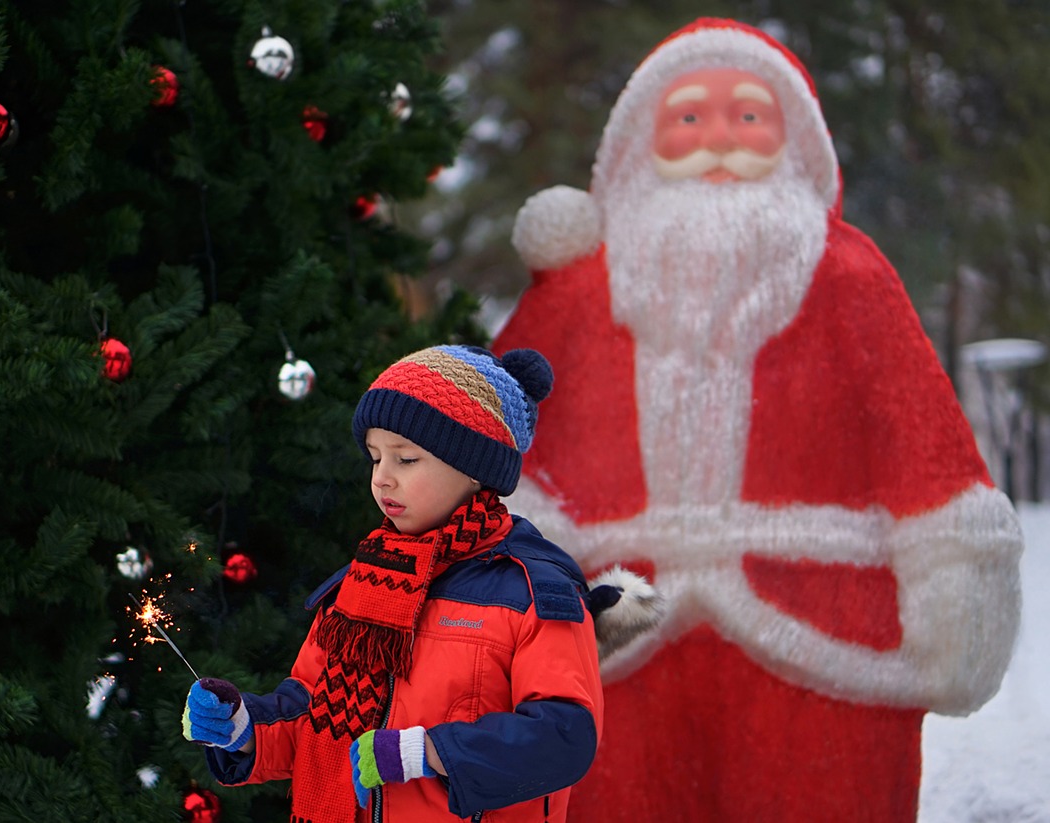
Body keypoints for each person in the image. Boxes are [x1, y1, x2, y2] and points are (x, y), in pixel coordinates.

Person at [490, 17, 1023, 823]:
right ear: (638, 143)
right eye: (688, 118)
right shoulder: (575, 291)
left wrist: (955, 587)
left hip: (825, 635)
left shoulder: (849, 276)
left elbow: (920, 443)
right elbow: (498, 438)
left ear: (795, 142)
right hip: (612, 635)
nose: (718, 139)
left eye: (747, 116)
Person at [181, 345, 604, 823]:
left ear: (474, 467)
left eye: (405, 459)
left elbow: (564, 737)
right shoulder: (361, 583)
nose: (382, 479)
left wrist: (426, 751)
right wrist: (243, 727)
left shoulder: (532, 591)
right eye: (375, 458)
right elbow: (313, 713)